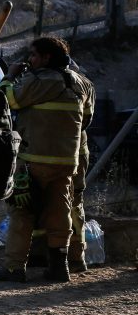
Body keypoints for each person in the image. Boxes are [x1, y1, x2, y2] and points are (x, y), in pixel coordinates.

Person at [0, 37, 84, 283]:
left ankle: (14, 268)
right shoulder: (79, 83)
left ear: (46, 58)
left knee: (22, 211)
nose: (30, 60)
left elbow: (5, 101)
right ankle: (59, 267)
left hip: (34, 160)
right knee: (59, 212)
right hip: (66, 161)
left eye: (33, 55)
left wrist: (10, 76)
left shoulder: (39, 79)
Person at [66, 62, 96, 273]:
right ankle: (76, 256)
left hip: (56, 152)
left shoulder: (42, 82)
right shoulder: (86, 84)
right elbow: (86, 120)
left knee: (66, 204)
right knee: (75, 204)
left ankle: (71, 256)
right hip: (78, 151)